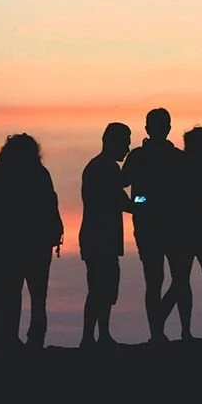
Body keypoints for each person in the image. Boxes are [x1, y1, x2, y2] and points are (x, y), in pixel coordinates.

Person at [0, 133, 64, 347]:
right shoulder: (39, 174)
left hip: (11, 244)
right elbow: (51, 205)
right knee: (38, 297)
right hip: (34, 243)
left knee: (12, 294)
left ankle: (12, 337)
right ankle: (33, 338)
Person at [122, 108, 190, 342]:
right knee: (159, 280)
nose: (160, 129)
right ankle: (161, 331)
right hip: (153, 226)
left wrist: (142, 201)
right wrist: (142, 202)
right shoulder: (140, 156)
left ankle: (175, 330)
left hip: (169, 226)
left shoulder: (177, 158)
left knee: (174, 279)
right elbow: (124, 183)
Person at [163, 126, 202, 338]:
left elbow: (170, 197)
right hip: (201, 230)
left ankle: (186, 330)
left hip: (184, 231)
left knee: (183, 282)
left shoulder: (178, 166)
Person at [80, 123, 134, 346]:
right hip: (101, 238)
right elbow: (123, 200)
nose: (127, 149)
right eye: (125, 143)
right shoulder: (106, 168)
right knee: (101, 287)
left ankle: (98, 335)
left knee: (101, 287)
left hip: (96, 237)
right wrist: (146, 200)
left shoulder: (98, 166)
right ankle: (94, 336)